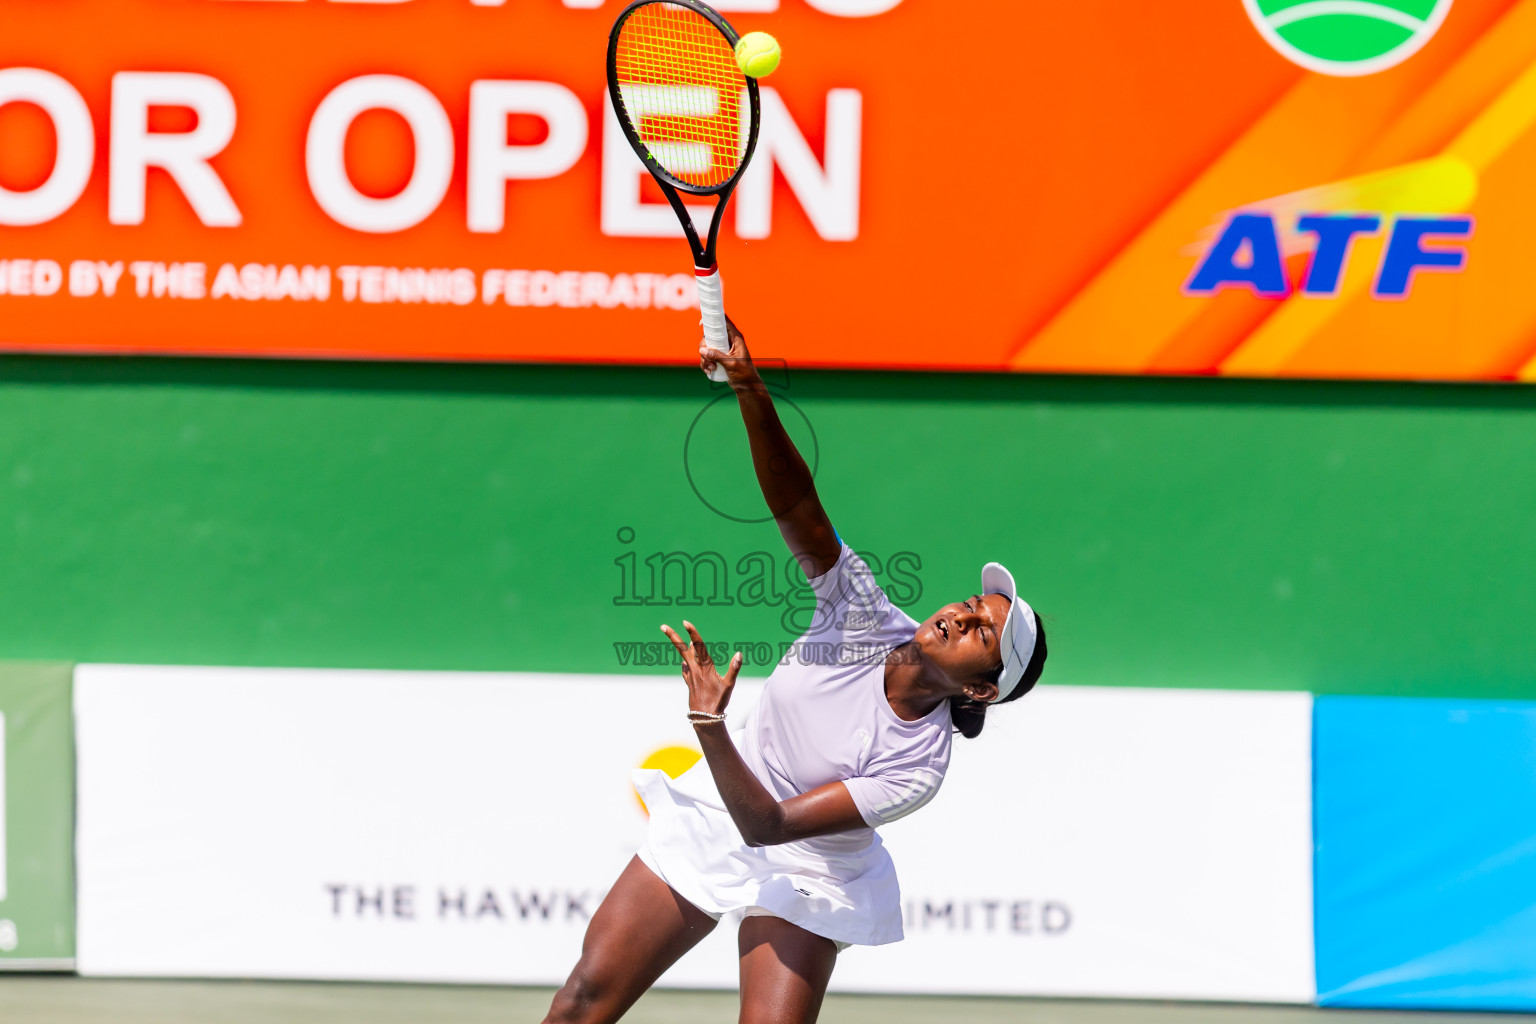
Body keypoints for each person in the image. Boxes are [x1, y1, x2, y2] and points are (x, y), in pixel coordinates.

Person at [542, 319, 1048, 1024]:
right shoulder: (863, 612)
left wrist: (709, 723)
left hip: (813, 863)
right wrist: (749, 387)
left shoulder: (918, 768)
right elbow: (795, 505)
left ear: (980, 687)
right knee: (581, 1002)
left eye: (982, 632)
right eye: (969, 604)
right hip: (724, 808)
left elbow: (773, 825)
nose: (961, 617)